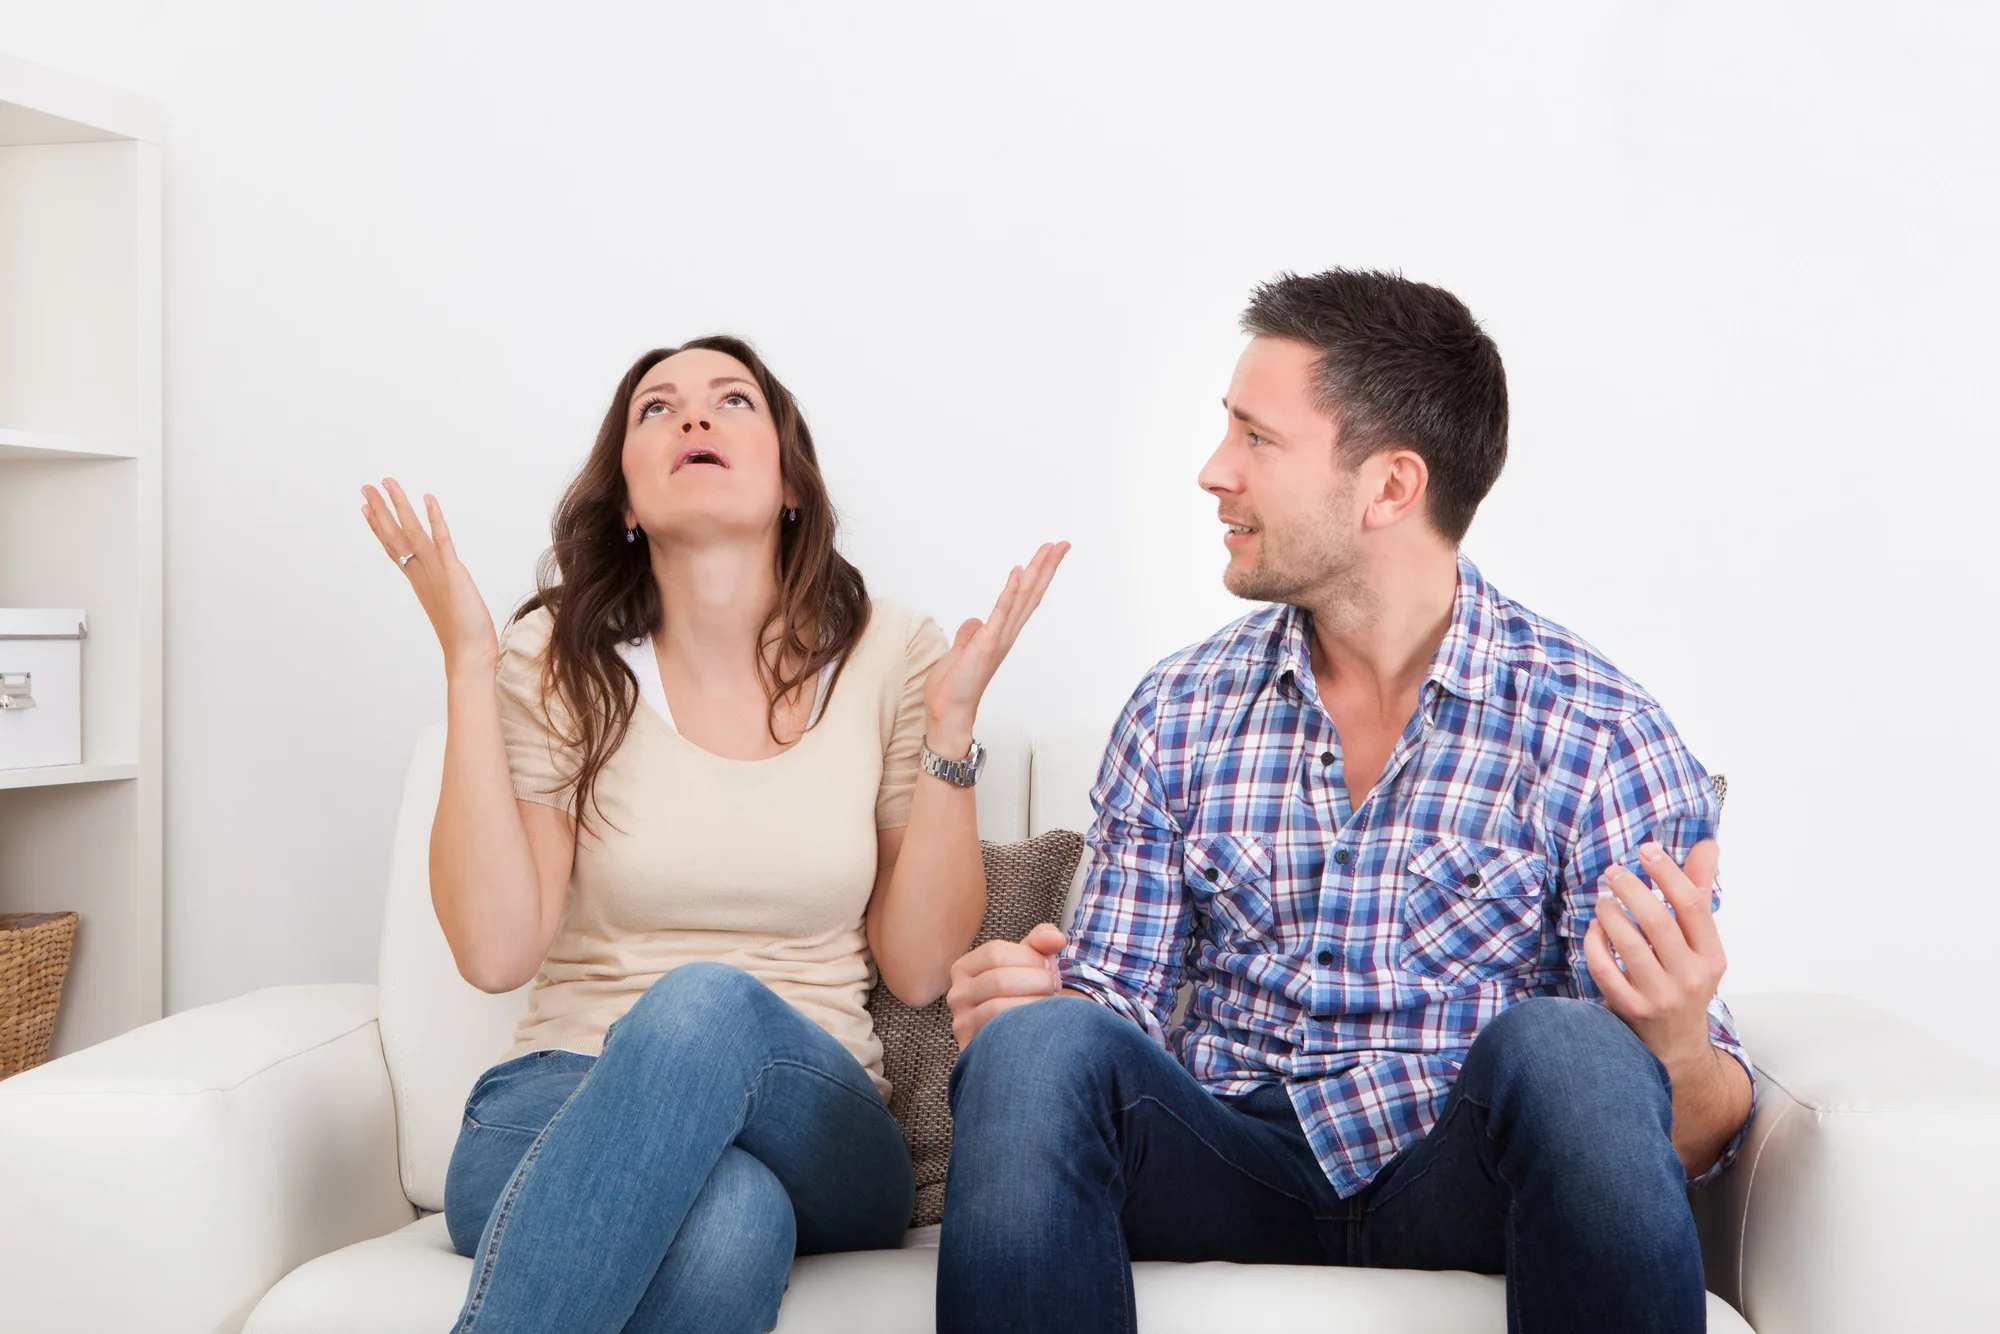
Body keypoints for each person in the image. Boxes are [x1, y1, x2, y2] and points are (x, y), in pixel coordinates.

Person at [939, 271, 1753, 1334]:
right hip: (1228, 1156)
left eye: (1255, 439)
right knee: (1035, 1049)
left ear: (1387, 487)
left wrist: (1677, 1041)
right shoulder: (1179, 709)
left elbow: (1680, 1137)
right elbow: (1116, 1014)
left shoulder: (1597, 732)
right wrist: (1026, 1011)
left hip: (1458, 1171)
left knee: (1575, 1048)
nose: (1211, 472)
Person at [360, 334, 1066, 1334]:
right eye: (657, 408)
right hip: (558, 1101)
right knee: (728, 1218)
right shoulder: (558, 658)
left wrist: (949, 735)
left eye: (731, 400)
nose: (692, 416)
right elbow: (494, 948)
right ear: (626, 503)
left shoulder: (891, 651)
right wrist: (469, 665)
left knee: (700, 1005)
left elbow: (917, 968)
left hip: (819, 1123)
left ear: (789, 482)